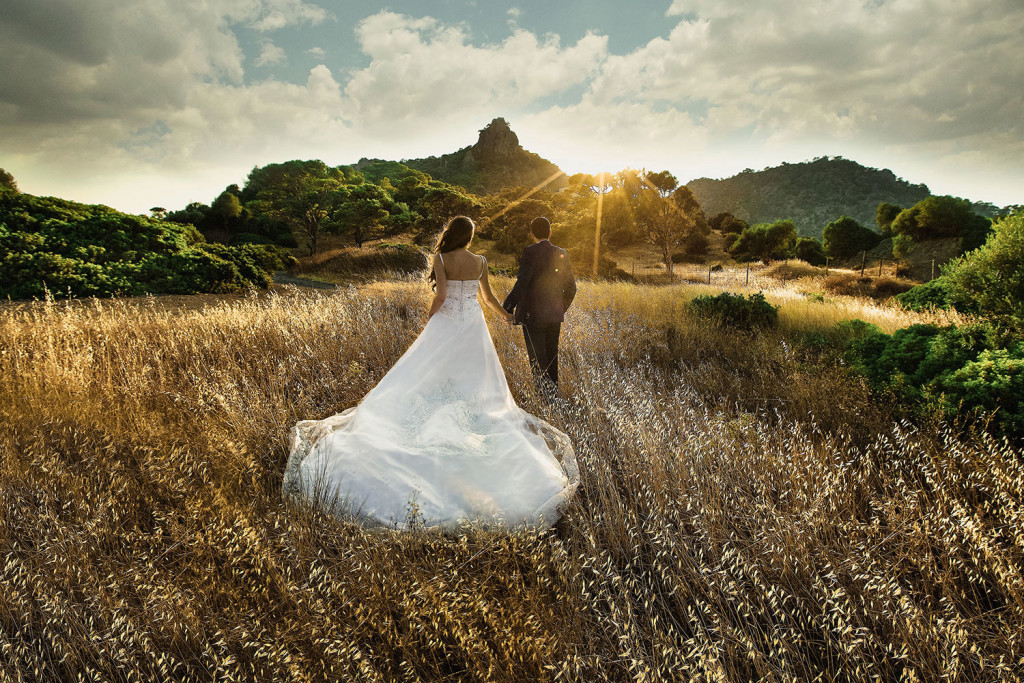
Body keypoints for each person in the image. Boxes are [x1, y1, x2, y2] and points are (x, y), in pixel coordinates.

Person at [282, 216, 578, 529]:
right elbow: (487, 298)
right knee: (475, 375)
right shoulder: (480, 261)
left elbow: (440, 296)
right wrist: (505, 315)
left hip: (447, 322)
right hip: (474, 326)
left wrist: (431, 320)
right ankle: (471, 412)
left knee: (432, 367)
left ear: (452, 235)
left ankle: (441, 406)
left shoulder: (441, 258)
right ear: (470, 237)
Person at [502, 217, 577, 396]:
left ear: (532, 234)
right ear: (550, 233)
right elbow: (572, 288)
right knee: (552, 359)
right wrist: (560, 307)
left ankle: (543, 400)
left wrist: (508, 307)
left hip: (533, 316)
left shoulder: (529, 252)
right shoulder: (562, 253)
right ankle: (554, 399)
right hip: (554, 316)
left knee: (537, 360)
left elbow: (523, 282)